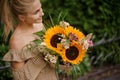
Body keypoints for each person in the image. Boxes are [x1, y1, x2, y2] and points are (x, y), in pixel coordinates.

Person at [1, 0, 58, 80]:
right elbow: (21, 78)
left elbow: (51, 63)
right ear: (22, 17)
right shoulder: (16, 42)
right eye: (36, 12)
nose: (42, 14)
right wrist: (41, 56)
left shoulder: (40, 25)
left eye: (40, 8)